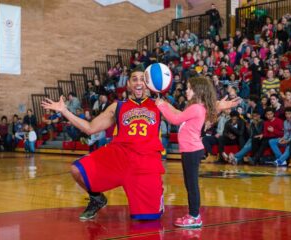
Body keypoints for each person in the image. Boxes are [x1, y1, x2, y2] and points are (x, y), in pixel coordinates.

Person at [41, 68, 237, 222]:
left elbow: (192, 115)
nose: (138, 82)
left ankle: (156, 199)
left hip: (145, 163)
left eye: (142, 79)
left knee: (147, 220)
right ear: (128, 84)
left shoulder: (159, 104)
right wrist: (64, 111)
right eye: (134, 79)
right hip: (119, 156)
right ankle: (97, 198)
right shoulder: (117, 106)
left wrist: (218, 106)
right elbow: (90, 128)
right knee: (76, 170)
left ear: (149, 83)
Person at [155, 76, 238, 228]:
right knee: (189, 184)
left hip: (192, 150)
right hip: (191, 150)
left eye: (188, 88)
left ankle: (195, 216)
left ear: (198, 91)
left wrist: (161, 106)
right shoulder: (198, 107)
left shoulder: (195, 108)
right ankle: (192, 214)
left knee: (191, 185)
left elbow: (175, 119)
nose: (186, 91)